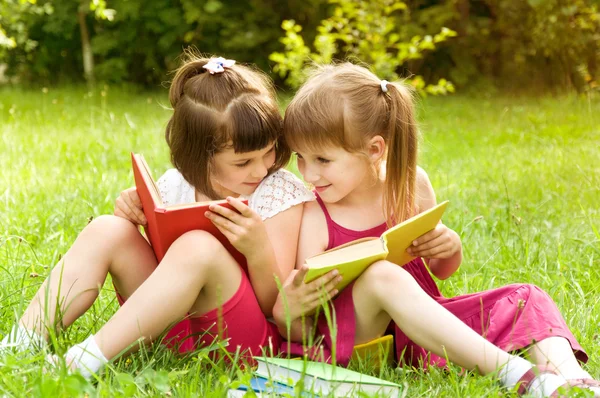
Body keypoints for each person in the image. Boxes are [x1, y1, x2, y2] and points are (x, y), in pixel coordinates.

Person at [272, 62, 599, 397]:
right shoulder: (315, 214)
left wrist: (449, 246)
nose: (308, 174)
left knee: (526, 296)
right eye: (300, 157)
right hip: (356, 343)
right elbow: (305, 327)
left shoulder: (411, 184)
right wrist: (290, 311)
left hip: (421, 332)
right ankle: (514, 373)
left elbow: (442, 272)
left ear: (374, 149)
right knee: (381, 275)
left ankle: (572, 379)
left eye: (322, 160)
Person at [0, 51, 314, 378]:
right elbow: (161, 261)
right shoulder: (175, 185)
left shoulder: (278, 191)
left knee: (199, 246)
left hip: (242, 344)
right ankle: (18, 346)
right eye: (243, 162)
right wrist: (130, 215)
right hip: (169, 329)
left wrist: (257, 248)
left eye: (269, 152)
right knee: (107, 229)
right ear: (200, 156)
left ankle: (83, 361)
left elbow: (277, 308)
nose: (262, 168)